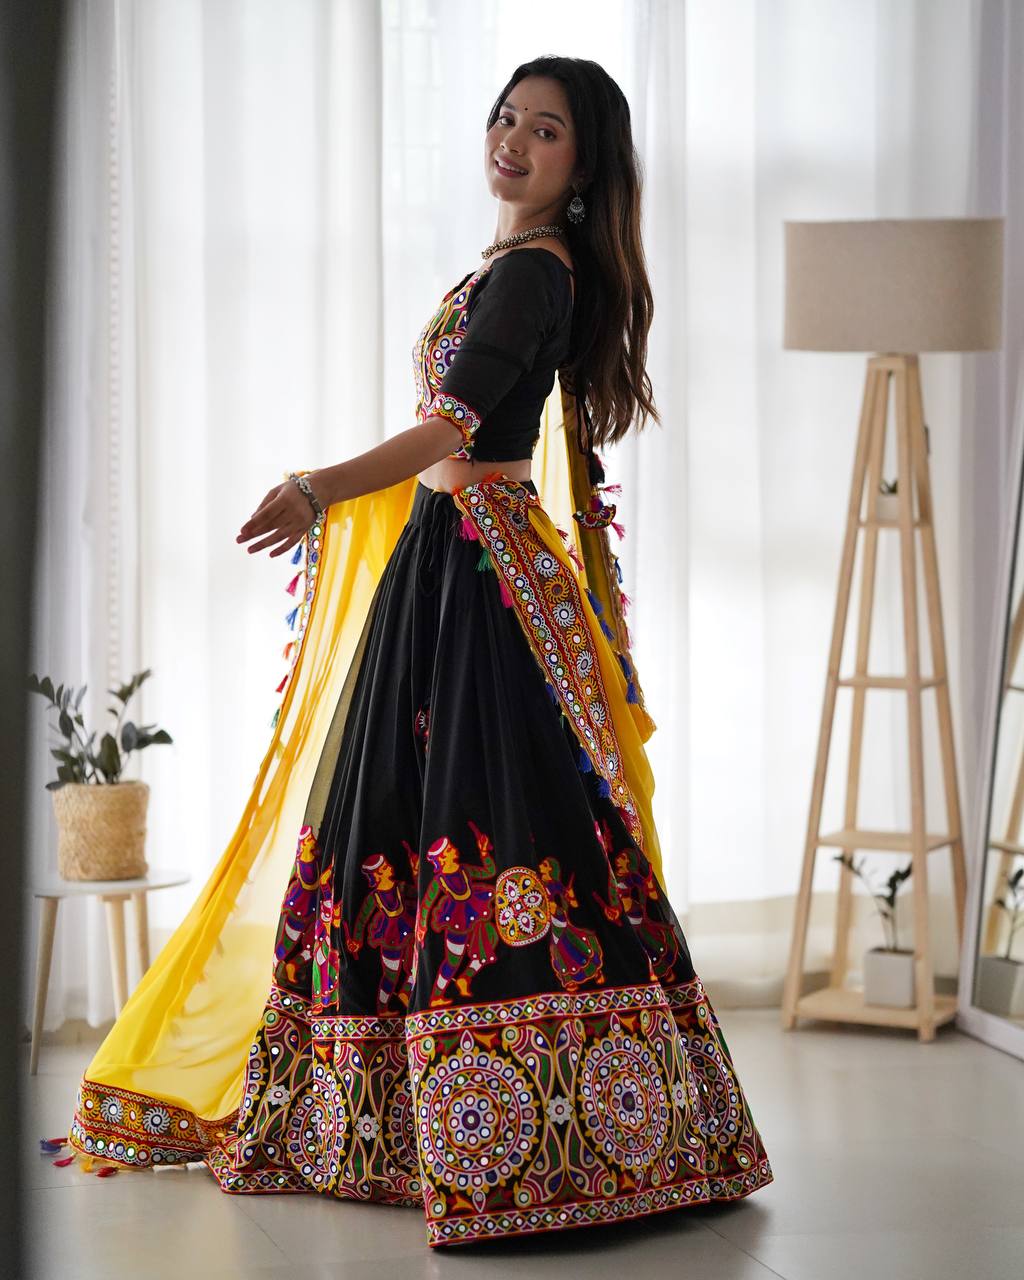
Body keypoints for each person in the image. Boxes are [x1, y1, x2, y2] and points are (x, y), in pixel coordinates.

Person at [51, 55, 773, 1249]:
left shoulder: (537, 275)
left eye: (544, 131)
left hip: (479, 579)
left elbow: (453, 427)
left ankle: (542, 1135)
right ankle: (415, 1122)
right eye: (504, 118)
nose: (512, 141)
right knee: (410, 825)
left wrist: (313, 485)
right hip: (450, 561)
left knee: (488, 830)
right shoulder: (512, 268)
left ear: (583, 166)